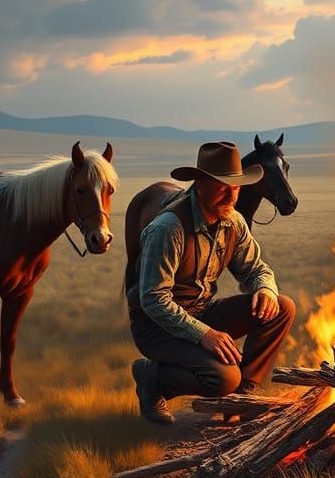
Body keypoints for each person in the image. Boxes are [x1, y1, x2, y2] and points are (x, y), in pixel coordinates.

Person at [126, 141, 296, 424]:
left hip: (201, 311)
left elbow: (256, 269)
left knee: (282, 307)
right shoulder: (168, 229)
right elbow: (154, 300)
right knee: (222, 377)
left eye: (237, 186)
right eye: (222, 186)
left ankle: (242, 398)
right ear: (200, 184)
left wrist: (264, 289)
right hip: (156, 326)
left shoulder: (234, 221)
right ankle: (151, 378)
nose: (231, 195)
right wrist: (204, 334)